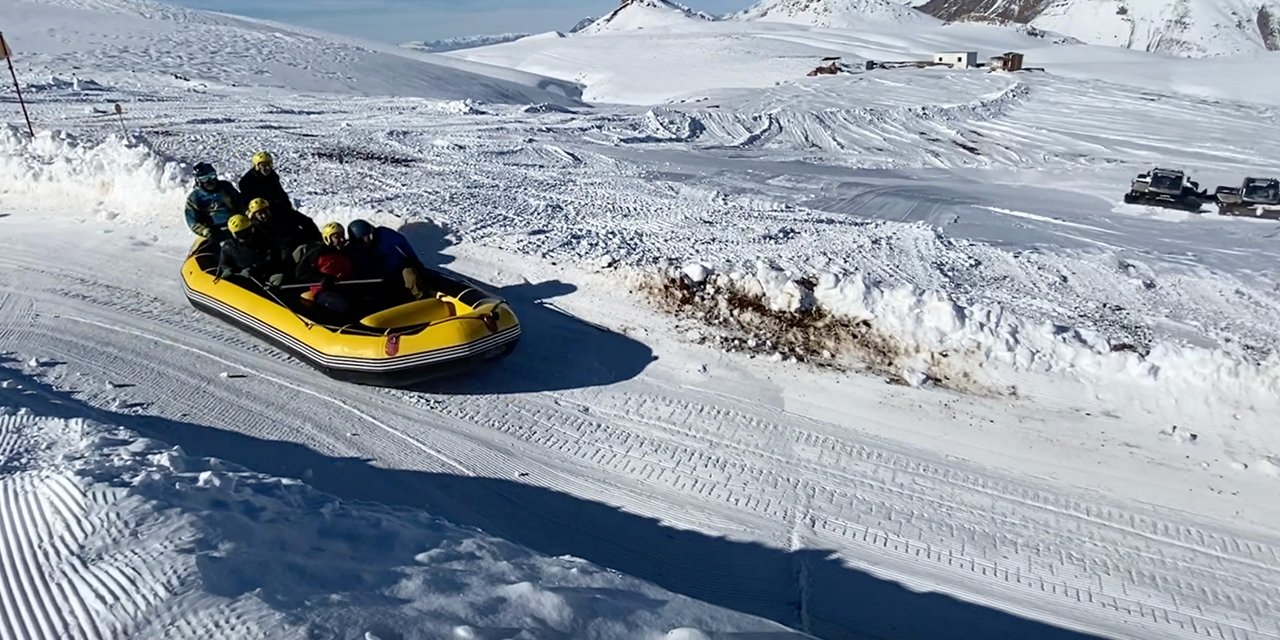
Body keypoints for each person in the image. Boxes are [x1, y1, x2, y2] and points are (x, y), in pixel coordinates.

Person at [346, 219, 429, 300]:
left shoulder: (383, 234)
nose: (367, 240)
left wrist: (414, 259)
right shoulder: (353, 249)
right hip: (379, 277)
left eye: (369, 236)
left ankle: (421, 299)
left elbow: (402, 242)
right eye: (362, 239)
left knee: (410, 275)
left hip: (398, 268)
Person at [292, 222, 357, 315]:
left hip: (344, 286)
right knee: (344, 306)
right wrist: (322, 278)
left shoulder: (346, 251)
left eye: (342, 235)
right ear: (327, 238)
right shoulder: (317, 253)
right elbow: (301, 274)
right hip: (322, 290)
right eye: (336, 237)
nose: (341, 239)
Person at [217, 215, 286, 287]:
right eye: (241, 234)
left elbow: (274, 258)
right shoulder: (228, 247)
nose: (246, 236)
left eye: (247, 231)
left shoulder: (265, 239)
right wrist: (228, 270)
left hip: (268, 276)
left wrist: (255, 268)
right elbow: (224, 263)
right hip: (245, 280)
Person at [246, 197, 319, 264]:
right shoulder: (255, 229)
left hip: (300, 241)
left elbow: (307, 222)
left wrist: (315, 236)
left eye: (265, 212)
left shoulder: (283, 214)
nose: (264, 215)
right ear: (255, 216)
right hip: (283, 253)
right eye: (260, 214)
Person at [185, 162, 244, 244]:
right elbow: (192, 221)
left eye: (212, 176)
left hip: (236, 226)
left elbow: (240, 202)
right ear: (198, 180)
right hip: (213, 231)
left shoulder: (225, 188)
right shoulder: (194, 198)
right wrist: (204, 231)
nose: (210, 181)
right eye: (204, 179)